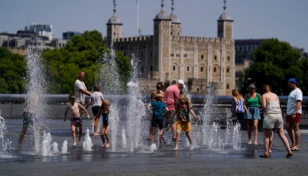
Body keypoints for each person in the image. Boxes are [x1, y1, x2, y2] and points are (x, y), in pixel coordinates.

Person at [260, 84, 292, 158]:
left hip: (270, 115)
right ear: (270, 89)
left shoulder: (264, 95)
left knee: (266, 135)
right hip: (278, 115)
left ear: (264, 90)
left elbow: (264, 106)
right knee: (282, 134)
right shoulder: (276, 95)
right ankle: (289, 150)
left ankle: (266, 152)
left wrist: (263, 109)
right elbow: (279, 105)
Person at [286, 78, 303, 151]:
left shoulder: (298, 91)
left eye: (289, 85)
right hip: (289, 112)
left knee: (296, 128)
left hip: (295, 112)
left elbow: (299, 103)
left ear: (293, 83)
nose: (288, 86)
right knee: (287, 127)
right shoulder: (292, 92)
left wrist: (295, 112)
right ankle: (293, 143)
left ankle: (296, 145)